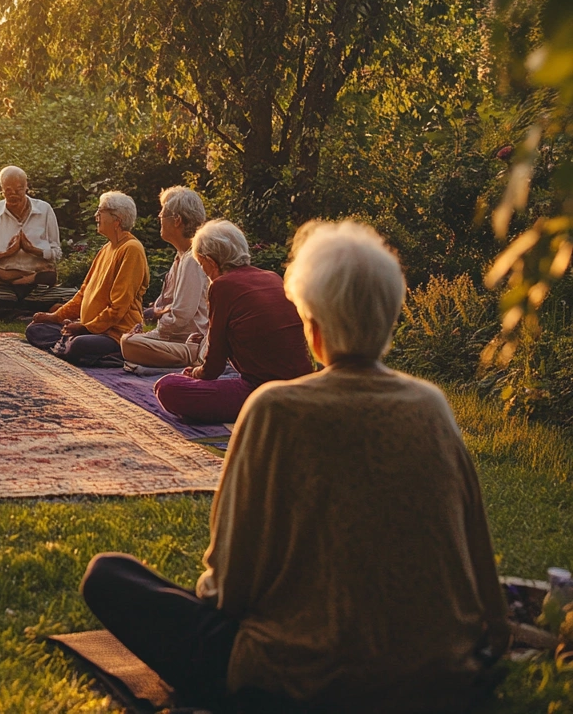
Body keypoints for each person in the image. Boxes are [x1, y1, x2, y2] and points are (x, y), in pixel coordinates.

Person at [81, 220, 510, 713]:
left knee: (108, 575)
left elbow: (227, 587)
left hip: (302, 678)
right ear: (391, 314)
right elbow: (475, 555)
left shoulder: (275, 409)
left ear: (313, 326)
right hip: (439, 673)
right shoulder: (432, 405)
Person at [153, 219, 311, 423]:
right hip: (303, 387)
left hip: (265, 393)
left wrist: (194, 374)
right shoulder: (272, 277)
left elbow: (213, 367)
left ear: (210, 262)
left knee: (167, 387)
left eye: (202, 265)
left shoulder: (222, 286)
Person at [25, 191, 149, 365]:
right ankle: (69, 347)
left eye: (100, 211)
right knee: (35, 330)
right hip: (89, 328)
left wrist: (85, 328)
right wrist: (55, 317)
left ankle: (106, 354)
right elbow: (83, 293)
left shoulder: (131, 249)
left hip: (115, 334)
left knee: (78, 344)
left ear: (117, 220)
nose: (96, 215)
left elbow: (119, 307)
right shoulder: (106, 249)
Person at [0, 166, 76, 317]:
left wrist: (32, 250)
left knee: (75, 294)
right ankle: (34, 308)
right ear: (1, 189)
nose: (13, 194)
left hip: (37, 283)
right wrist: (5, 254)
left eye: (18, 190)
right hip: (4, 285)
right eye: (8, 190)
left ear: (26, 187)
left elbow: (56, 253)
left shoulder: (44, 210)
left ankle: (11, 310)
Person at [121, 186, 209, 369]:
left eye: (162, 213)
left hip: (190, 342)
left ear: (177, 220)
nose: (159, 217)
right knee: (128, 340)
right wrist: (150, 322)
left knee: (128, 343)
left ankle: (192, 358)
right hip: (174, 338)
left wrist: (153, 330)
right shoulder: (181, 257)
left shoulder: (193, 259)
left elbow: (181, 316)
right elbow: (164, 306)